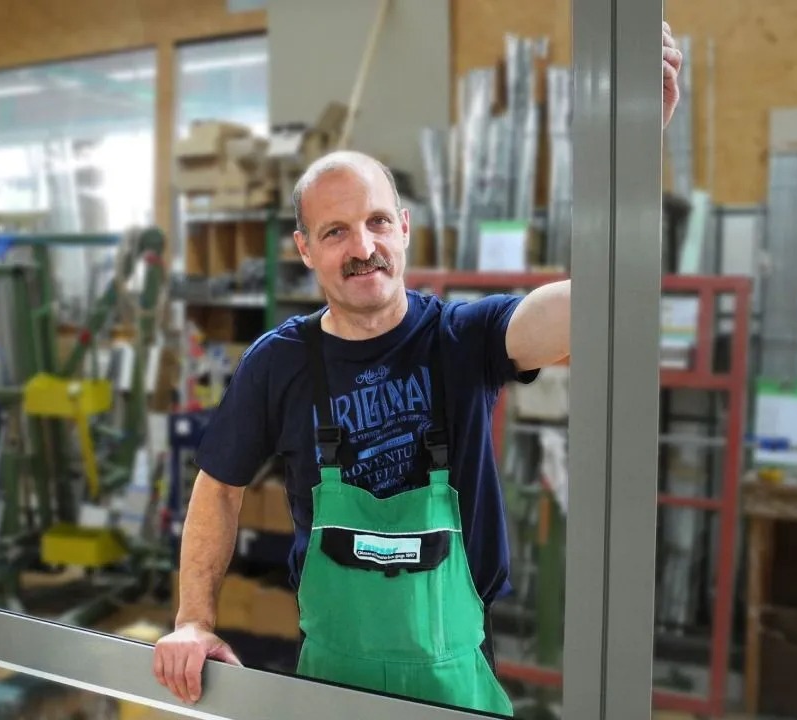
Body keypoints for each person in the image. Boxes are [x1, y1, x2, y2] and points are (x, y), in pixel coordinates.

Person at [153, 22, 682, 716]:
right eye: (336, 231)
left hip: (455, 678)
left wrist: (635, 151)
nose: (362, 246)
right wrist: (194, 617)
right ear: (304, 250)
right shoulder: (278, 362)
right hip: (331, 679)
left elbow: (594, 305)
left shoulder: (463, 338)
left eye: (377, 222)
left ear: (404, 228)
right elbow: (218, 489)